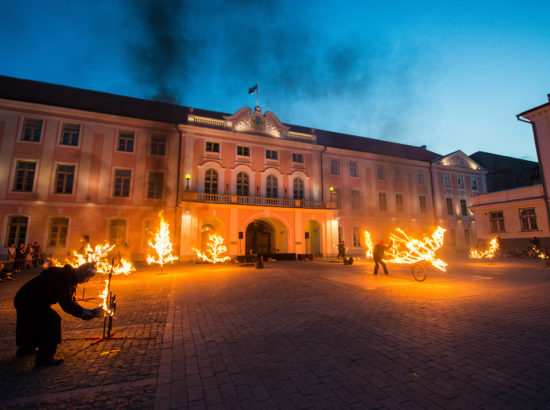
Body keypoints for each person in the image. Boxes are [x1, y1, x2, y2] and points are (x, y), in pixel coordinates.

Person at [14, 262, 103, 366]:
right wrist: (85, 314)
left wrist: (87, 312)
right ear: (82, 275)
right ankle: (45, 358)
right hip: (30, 300)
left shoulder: (67, 276)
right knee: (52, 320)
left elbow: (70, 300)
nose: (86, 281)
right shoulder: (65, 279)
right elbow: (67, 305)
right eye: (87, 278)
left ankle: (26, 348)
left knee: (30, 321)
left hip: (27, 298)